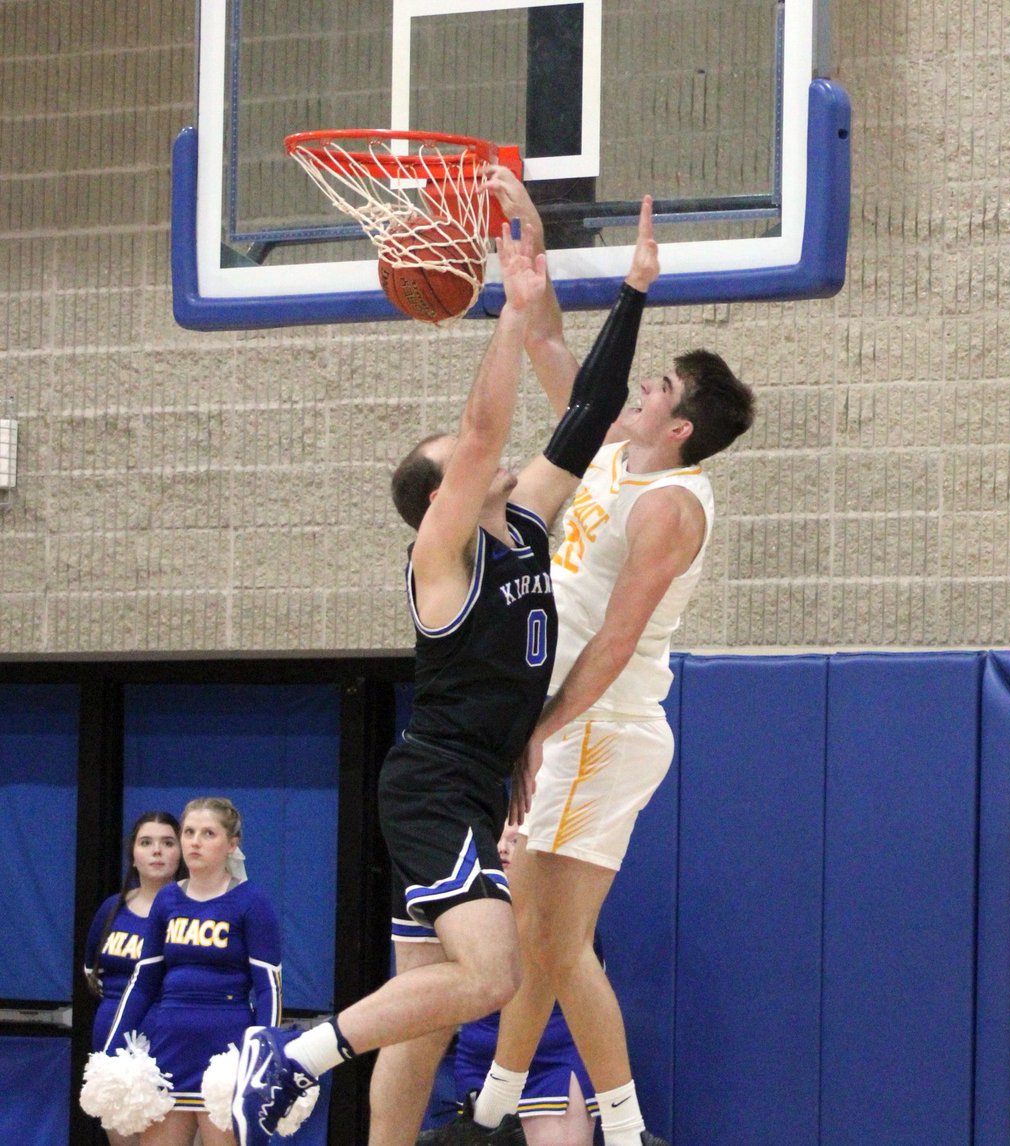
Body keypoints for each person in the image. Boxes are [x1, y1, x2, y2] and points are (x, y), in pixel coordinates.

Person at [230, 205, 661, 1146]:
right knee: (493, 977)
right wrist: (510, 312)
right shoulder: (442, 560)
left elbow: (590, 414)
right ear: (439, 498)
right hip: (436, 786)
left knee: (424, 1013)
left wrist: (632, 291)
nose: (489, 458)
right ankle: (297, 1052)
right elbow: (477, 431)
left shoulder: (526, 521)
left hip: (473, 784)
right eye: (460, 463)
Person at [450, 169, 756, 1146]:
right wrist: (526, 237)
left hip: (600, 725)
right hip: (573, 723)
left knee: (556, 939)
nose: (641, 388)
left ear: (680, 427)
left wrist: (541, 729)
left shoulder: (671, 506)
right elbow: (549, 343)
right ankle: (494, 1109)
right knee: (537, 934)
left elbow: (619, 639)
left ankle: (623, 1131)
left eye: (658, 387)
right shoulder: (616, 454)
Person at [103, 797, 282, 1146]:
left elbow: (268, 989)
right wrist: (111, 1050)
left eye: (208, 833)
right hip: (169, 1048)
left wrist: (264, 1054)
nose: (195, 842)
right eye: (188, 832)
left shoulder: (252, 902)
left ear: (232, 843)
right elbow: (143, 982)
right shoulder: (167, 900)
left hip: (225, 1052)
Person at [418, 821, 598, 1146]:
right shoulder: (462, 915)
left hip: (553, 1060)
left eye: (515, 841)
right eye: (497, 840)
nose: (502, 848)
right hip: (481, 1062)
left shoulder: (567, 911)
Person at [84, 811, 187, 1146]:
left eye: (167, 842)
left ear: (181, 852)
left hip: (170, 1039)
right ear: (133, 853)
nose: (157, 850)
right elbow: (91, 971)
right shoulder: (112, 908)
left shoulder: (192, 911)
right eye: (146, 842)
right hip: (112, 1035)